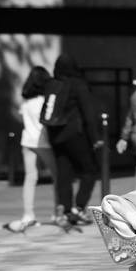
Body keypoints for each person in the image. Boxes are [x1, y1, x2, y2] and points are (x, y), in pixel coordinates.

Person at [45, 54, 101, 228]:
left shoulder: (52, 84)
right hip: (75, 135)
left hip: (55, 136)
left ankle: (65, 209)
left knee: (64, 173)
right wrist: (95, 138)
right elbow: (88, 113)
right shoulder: (78, 84)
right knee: (89, 170)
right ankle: (79, 207)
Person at [3, 66, 58, 233]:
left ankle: (28, 214)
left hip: (27, 142)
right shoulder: (45, 101)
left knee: (30, 178)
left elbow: (22, 119)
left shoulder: (26, 103)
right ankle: (57, 212)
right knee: (57, 177)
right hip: (44, 143)